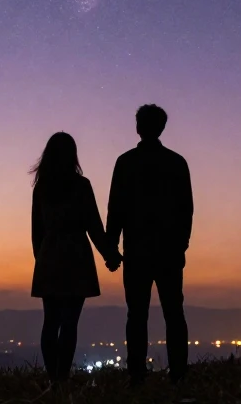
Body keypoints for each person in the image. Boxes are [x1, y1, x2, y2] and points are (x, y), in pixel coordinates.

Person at [104, 104, 194, 385]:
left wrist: (111, 249)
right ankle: (178, 373)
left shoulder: (126, 162)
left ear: (138, 127)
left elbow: (115, 209)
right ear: (162, 127)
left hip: (137, 251)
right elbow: (186, 210)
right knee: (174, 312)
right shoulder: (176, 163)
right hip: (168, 251)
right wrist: (181, 245)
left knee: (137, 314)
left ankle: (136, 374)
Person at [30, 131, 120, 383]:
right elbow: (93, 225)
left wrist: (43, 259)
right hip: (77, 256)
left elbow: (36, 232)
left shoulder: (42, 188)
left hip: (50, 255)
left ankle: (53, 379)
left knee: (51, 321)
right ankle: (62, 377)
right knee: (69, 323)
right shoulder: (81, 186)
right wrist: (109, 255)